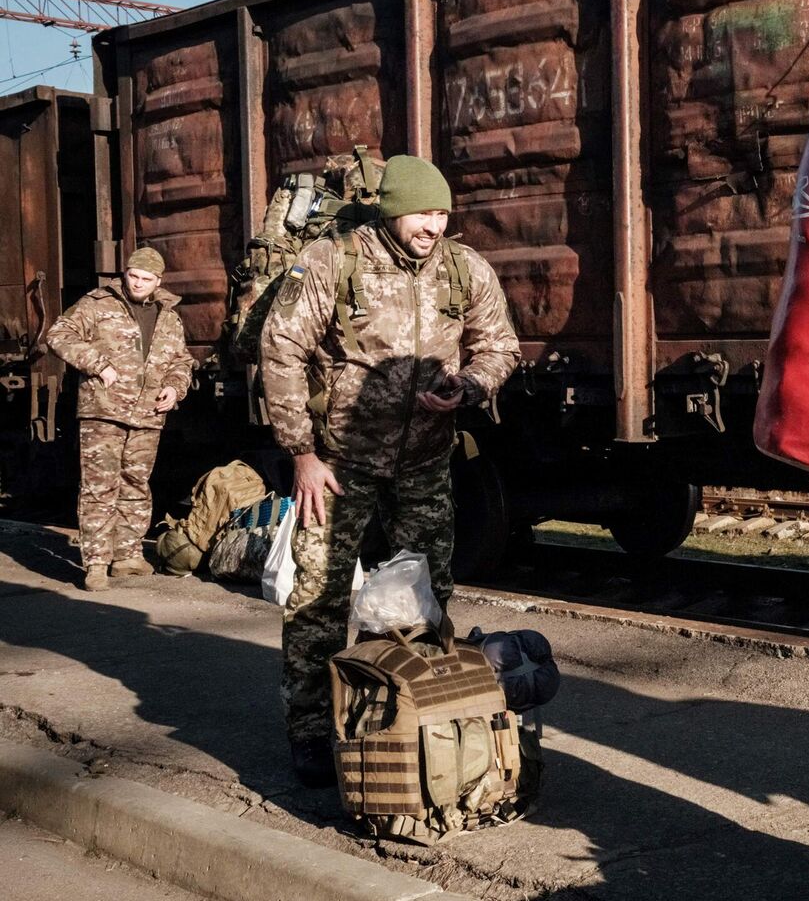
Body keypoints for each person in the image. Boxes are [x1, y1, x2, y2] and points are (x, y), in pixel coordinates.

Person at [258, 154, 520, 787]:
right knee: (318, 599)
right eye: (418, 213)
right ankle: (313, 733)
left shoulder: (463, 269)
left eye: (439, 212)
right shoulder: (334, 260)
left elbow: (500, 344)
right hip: (338, 465)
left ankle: (417, 719)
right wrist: (302, 453)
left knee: (428, 598)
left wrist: (471, 386)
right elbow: (281, 346)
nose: (431, 224)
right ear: (389, 210)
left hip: (426, 462)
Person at [42, 246, 194, 591]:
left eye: (146, 279)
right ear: (125, 274)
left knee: (135, 485)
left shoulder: (168, 315)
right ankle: (96, 564)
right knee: (99, 487)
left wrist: (174, 388)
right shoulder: (97, 304)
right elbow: (58, 334)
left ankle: (126, 556)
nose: (138, 283)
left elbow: (181, 361)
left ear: (159, 281)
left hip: (148, 414)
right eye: (133, 276)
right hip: (103, 411)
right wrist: (98, 364)